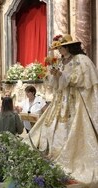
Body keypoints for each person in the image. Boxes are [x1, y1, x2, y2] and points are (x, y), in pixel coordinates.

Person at [25, 34, 98, 186]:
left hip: (75, 99)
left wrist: (62, 75)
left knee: (72, 127)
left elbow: (83, 80)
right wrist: (53, 75)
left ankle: (69, 155)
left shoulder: (81, 60)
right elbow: (56, 84)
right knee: (51, 126)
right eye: (57, 48)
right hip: (60, 99)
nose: (59, 51)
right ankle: (50, 152)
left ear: (68, 47)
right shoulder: (60, 61)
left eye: (60, 48)